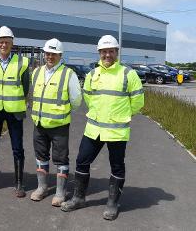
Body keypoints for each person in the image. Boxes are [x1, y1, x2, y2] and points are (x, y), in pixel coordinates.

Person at [61, 35, 144, 220]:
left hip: (116, 130)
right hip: (94, 129)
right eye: (104, 51)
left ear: (116, 52)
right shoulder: (92, 74)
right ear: (99, 53)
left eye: (111, 51)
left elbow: (138, 102)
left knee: (117, 167)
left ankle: (113, 203)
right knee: (82, 161)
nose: (107, 55)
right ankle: (78, 198)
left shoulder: (128, 74)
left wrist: (121, 115)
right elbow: (88, 97)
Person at [30, 38, 82, 207]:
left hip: (59, 126)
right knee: (40, 157)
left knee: (60, 159)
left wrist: (62, 113)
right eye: (48, 53)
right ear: (44, 54)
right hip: (39, 123)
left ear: (60, 55)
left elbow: (76, 101)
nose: (50, 56)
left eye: (54, 54)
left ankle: (60, 193)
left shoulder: (69, 74)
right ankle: (42, 187)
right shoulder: (36, 72)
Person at [0, 26, 30, 198]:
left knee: (17, 148)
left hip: (14, 111)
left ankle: (18, 184)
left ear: (12, 43)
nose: (3, 45)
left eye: (7, 42)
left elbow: (25, 87)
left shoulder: (22, 62)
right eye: (1, 42)